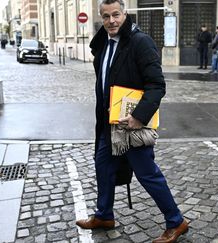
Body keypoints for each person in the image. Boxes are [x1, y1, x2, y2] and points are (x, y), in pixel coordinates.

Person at [75, 0, 188, 242]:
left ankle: (176, 221)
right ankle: (104, 215)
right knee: (102, 167)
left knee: (148, 174)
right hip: (108, 123)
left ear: (125, 14)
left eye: (116, 14)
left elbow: (157, 86)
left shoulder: (140, 42)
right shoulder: (104, 43)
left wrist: (139, 116)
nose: (111, 21)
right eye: (106, 16)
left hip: (132, 124)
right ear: (101, 18)